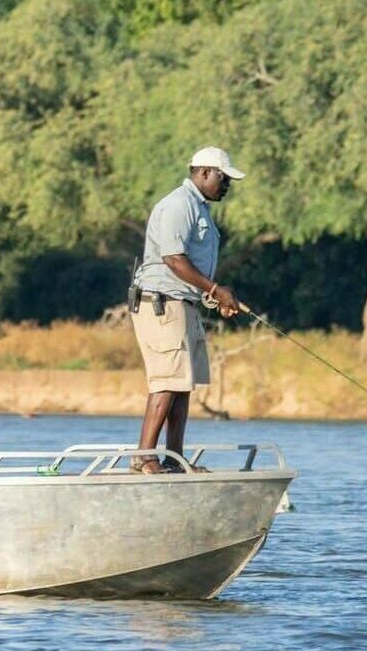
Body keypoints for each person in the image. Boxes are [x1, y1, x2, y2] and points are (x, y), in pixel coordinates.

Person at [128, 146, 245, 473]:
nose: (227, 186)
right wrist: (215, 289)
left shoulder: (200, 208)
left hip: (184, 303)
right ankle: (143, 458)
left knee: (182, 383)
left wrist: (213, 297)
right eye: (224, 178)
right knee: (166, 381)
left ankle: (174, 460)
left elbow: (188, 266)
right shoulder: (179, 204)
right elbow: (173, 259)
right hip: (161, 304)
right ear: (205, 172)